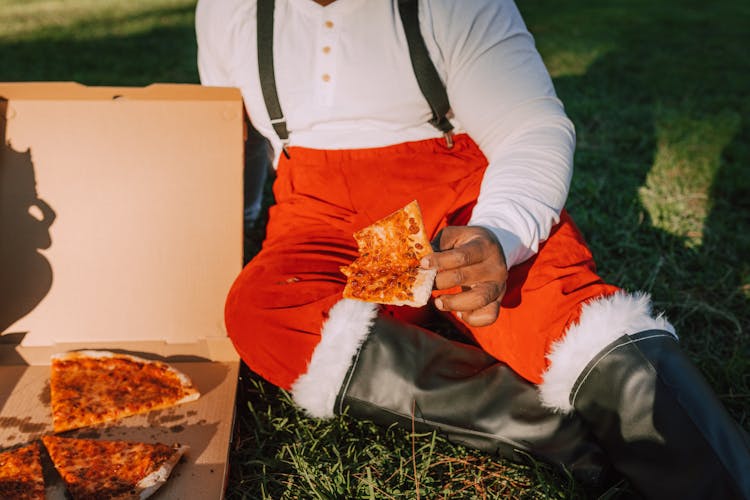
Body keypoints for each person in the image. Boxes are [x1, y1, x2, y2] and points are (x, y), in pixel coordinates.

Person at [195, 0, 750, 497]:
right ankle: (559, 437)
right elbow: (234, 134)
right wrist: (233, 228)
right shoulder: (229, 10)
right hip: (325, 224)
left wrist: (498, 236)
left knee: (572, 320)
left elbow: (530, 126)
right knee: (265, 310)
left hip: (458, 212)